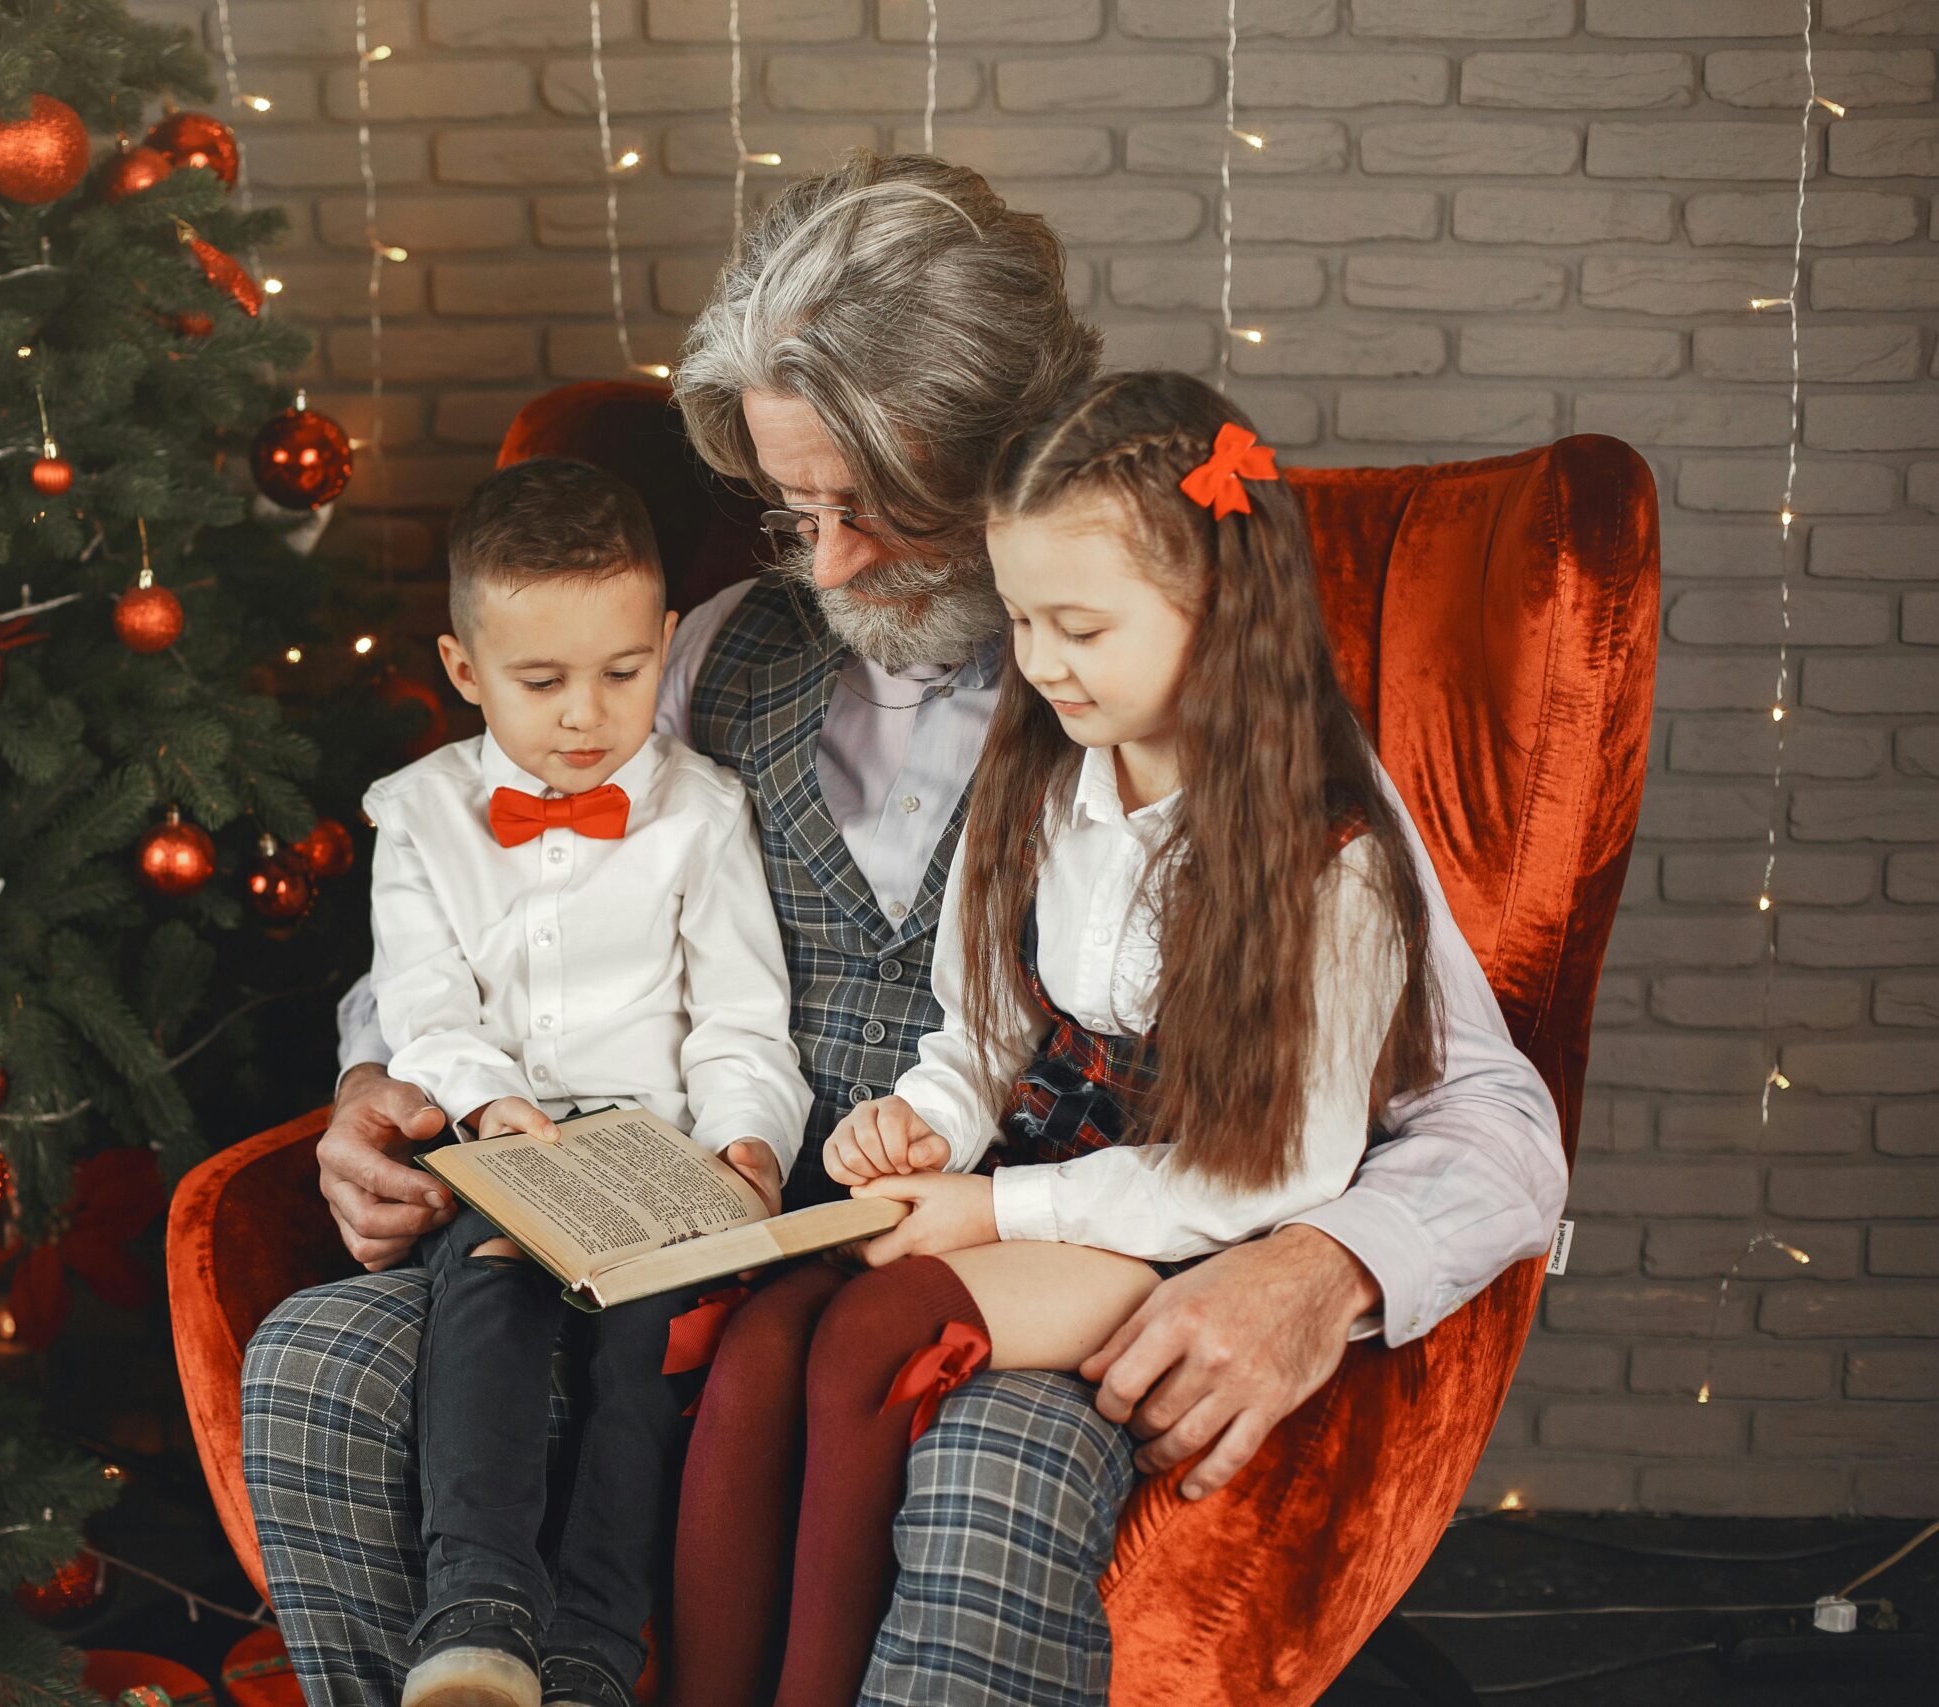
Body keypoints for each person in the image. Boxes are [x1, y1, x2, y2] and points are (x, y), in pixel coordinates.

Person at [242, 152, 1566, 1707]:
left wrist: (1321, 1266)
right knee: (321, 1368)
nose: (832, 562)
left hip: (1026, 1255)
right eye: (796, 509)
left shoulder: (1188, 705)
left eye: (880, 507)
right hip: (689, 1225)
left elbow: (1494, 1111)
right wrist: (375, 1080)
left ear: (1017, 461)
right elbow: (482, 907)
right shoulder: (708, 653)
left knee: (987, 1475)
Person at [669, 367, 1453, 1705]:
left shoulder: (1332, 865)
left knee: (877, 1335)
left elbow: (1271, 1172)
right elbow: (981, 1025)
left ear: (1219, 613)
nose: (1035, 662)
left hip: (1167, 1213)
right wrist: (927, 1119)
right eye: (1022, 618)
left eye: (1077, 626)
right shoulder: (1034, 777)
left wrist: (993, 1206)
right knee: (758, 1340)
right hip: (1023, 1177)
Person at [367, 459, 807, 1707]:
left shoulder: (703, 815)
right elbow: (424, 1007)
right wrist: (490, 1108)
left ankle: (595, 1653)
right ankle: (477, 1613)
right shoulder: (417, 817)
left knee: (633, 1364)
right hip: (501, 1151)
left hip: (653, 1160)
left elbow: (740, 1018)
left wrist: (747, 1149)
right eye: (541, 682)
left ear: (665, 646)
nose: (583, 716)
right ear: (463, 670)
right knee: (488, 1316)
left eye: (622, 674)